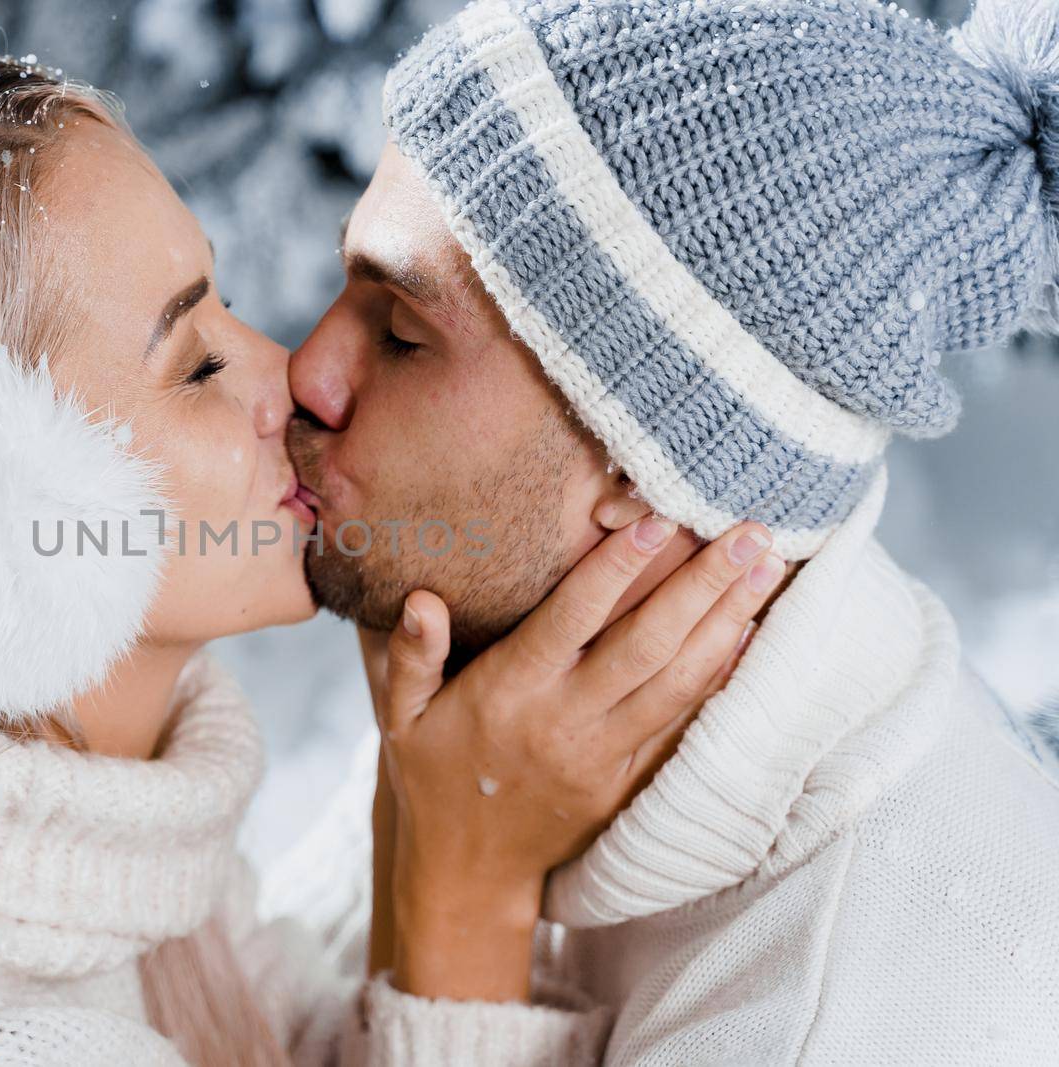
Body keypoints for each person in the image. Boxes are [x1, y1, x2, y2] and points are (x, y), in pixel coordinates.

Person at [0, 43, 778, 1066]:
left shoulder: (83, 852)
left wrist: (434, 822)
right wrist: (463, 897)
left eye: (224, 308)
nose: (290, 372)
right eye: (193, 362)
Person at [275, 0, 1059, 1062]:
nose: (308, 374)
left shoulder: (857, 1002)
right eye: (346, 285)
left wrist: (458, 903)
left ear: (652, 480)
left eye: (404, 334)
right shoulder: (516, 693)